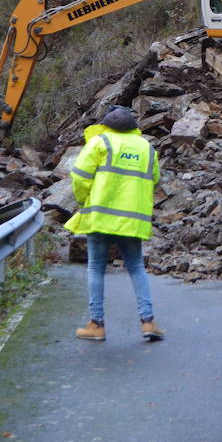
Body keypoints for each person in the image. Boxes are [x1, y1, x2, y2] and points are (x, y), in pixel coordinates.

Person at [63, 105, 164, 342]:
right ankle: (148, 322)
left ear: (106, 125)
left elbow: (79, 175)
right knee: (136, 267)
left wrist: (83, 200)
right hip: (132, 221)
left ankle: (96, 325)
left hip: (101, 217)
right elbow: (155, 180)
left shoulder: (101, 142)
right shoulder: (147, 148)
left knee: (96, 268)